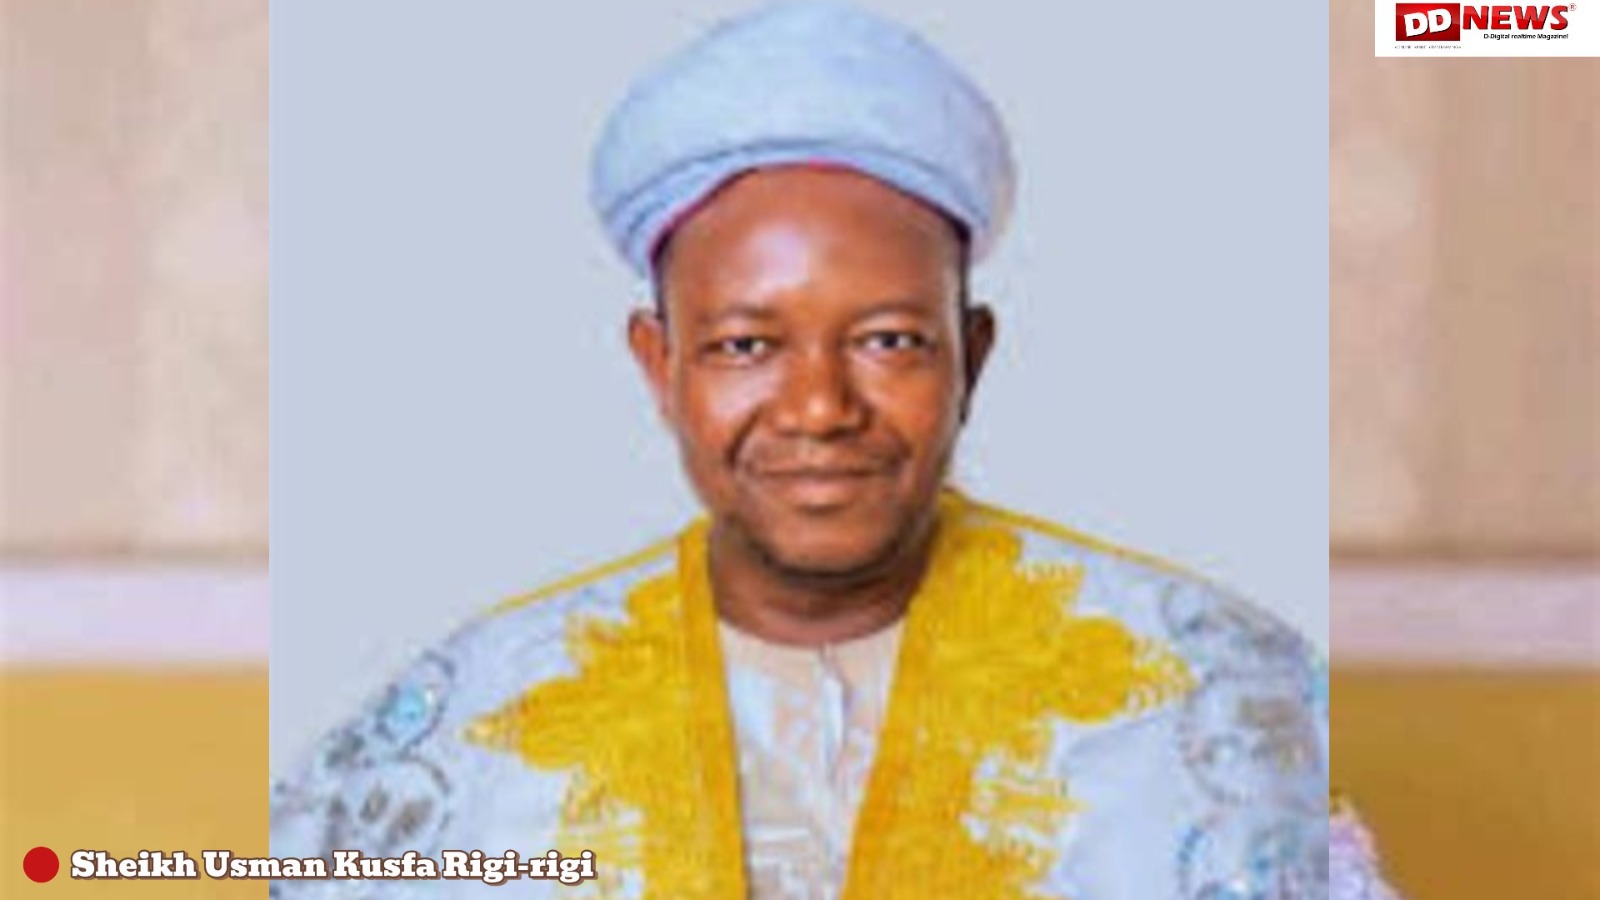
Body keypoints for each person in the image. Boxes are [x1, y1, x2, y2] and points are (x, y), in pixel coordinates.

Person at [271, 2, 1334, 896]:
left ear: (972, 356)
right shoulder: (458, 729)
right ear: (660, 364)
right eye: (746, 345)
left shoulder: (1216, 691)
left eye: (888, 341)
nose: (820, 408)